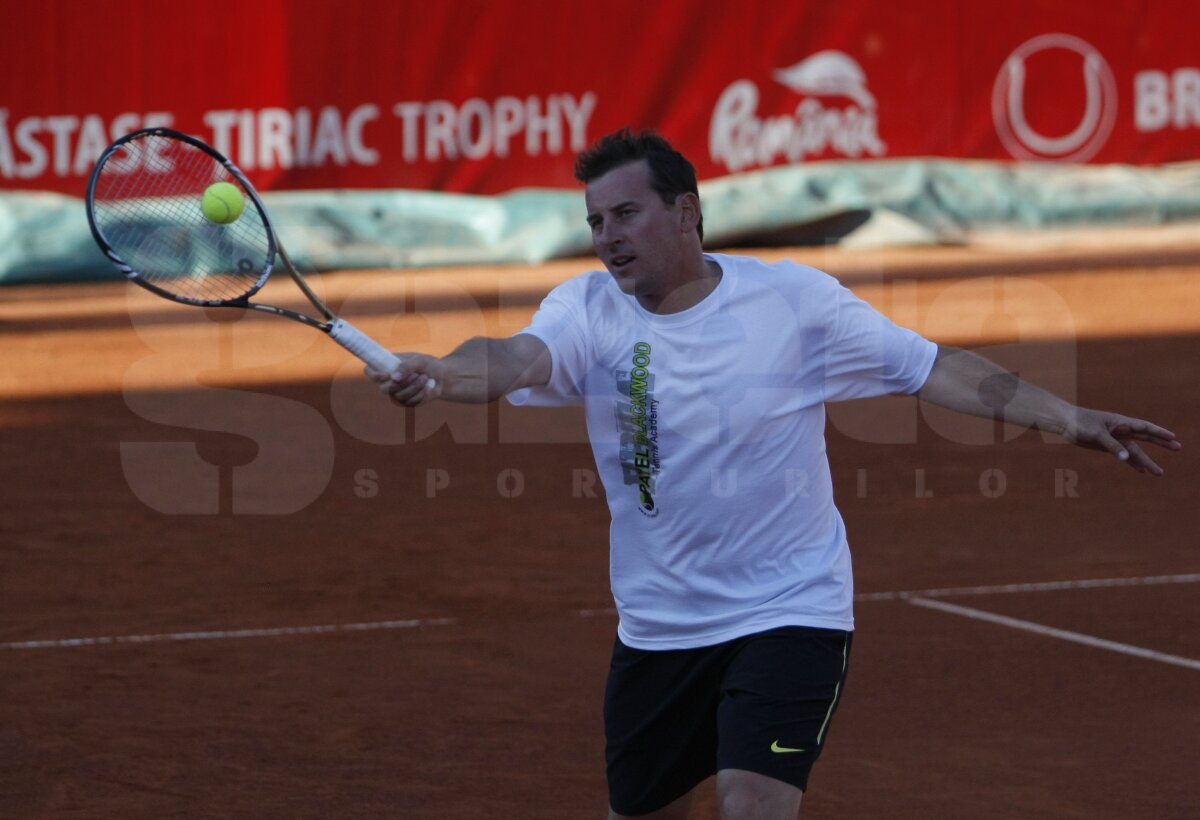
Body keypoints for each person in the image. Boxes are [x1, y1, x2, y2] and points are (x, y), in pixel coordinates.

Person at [366, 129, 1181, 819]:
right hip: (660, 625)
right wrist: (439, 371)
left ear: (686, 213)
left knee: (752, 800)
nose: (606, 235)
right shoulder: (587, 309)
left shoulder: (796, 302)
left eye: (625, 213)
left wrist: (1068, 417)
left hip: (791, 606)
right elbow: (510, 359)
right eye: (594, 220)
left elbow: (935, 370)